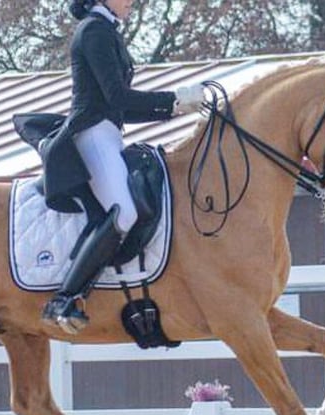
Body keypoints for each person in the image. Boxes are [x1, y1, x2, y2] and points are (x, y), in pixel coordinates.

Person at [41, 0, 206, 334]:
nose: (132, 1)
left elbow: (122, 109)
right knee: (124, 211)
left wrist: (176, 108)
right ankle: (66, 298)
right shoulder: (94, 31)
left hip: (109, 134)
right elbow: (118, 98)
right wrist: (172, 98)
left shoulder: (106, 31)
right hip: (92, 134)